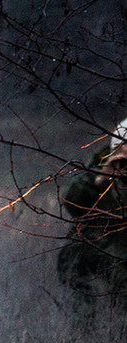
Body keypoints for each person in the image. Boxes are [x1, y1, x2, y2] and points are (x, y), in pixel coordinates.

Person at [57, 117, 127, 316]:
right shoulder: (98, 164)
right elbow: (72, 204)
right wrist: (99, 178)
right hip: (96, 248)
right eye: (121, 146)